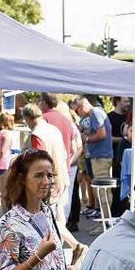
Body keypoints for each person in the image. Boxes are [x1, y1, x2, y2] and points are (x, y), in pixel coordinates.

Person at [39, 94, 84, 230]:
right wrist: (68, 161)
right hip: (67, 165)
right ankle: (61, 229)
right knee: (65, 199)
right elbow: (76, 147)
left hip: (51, 165)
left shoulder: (44, 119)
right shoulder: (69, 123)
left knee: (51, 200)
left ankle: (53, 231)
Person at [22, 104, 68, 210]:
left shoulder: (37, 134)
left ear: (28, 118)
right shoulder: (54, 130)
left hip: (46, 184)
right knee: (59, 217)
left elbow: (39, 162)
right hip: (61, 178)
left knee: (49, 219)